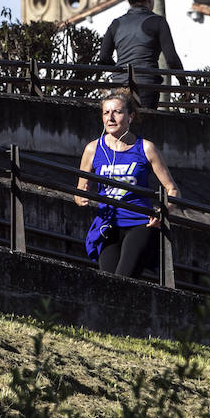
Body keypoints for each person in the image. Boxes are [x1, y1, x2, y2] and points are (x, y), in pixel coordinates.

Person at [74, 88, 179, 278]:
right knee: (108, 281)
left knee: (124, 278)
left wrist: (163, 210)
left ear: (130, 116)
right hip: (108, 224)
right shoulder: (92, 149)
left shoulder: (145, 148)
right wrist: (81, 196)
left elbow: (172, 190)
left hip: (140, 224)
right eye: (106, 113)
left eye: (117, 112)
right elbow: (80, 190)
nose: (110, 117)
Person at [97, 0, 183, 110]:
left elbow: (103, 58)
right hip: (146, 87)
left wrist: (121, 72)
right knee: (144, 128)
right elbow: (172, 59)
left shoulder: (116, 24)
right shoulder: (158, 22)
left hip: (119, 88)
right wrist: (183, 84)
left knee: (121, 128)